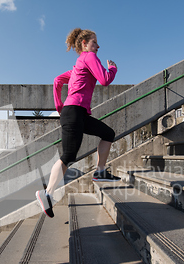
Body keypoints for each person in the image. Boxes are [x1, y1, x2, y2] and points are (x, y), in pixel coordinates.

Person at [36, 28, 120, 218]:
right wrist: (113, 69)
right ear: (84, 44)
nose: (97, 46)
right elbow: (105, 79)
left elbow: (57, 80)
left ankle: (100, 171)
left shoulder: (77, 66)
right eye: (94, 42)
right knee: (68, 155)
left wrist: (59, 105)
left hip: (77, 113)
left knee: (108, 133)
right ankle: (47, 193)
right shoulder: (89, 57)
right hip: (74, 112)